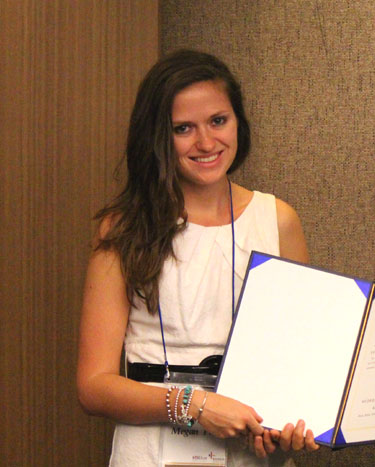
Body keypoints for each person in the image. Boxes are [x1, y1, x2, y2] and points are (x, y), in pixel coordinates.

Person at [77, 50, 318, 466]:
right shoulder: (124, 228)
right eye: (183, 128)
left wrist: (291, 425)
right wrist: (197, 406)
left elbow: (298, 360)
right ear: (157, 136)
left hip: (252, 451)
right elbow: (93, 387)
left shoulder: (278, 220)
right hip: (150, 452)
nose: (206, 143)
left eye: (218, 121)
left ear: (238, 121)